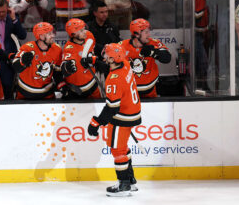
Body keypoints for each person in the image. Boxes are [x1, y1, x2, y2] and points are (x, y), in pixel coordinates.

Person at [87, 43, 140, 197]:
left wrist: (96, 122)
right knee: (123, 147)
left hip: (122, 116)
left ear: (111, 58)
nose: (104, 55)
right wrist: (94, 60)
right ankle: (130, 180)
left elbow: (112, 108)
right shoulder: (125, 64)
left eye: (106, 54)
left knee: (118, 149)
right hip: (132, 111)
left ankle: (123, 185)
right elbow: (108, 66)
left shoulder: (114, 80)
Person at [119, 18, 171, 98]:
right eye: (146, 32)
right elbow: (108, 59)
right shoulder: (121, 46)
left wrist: (154, 52)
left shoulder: (153, 43)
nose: (149, 35)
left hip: (150, 92)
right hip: (129, 93)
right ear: (136, 34)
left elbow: (167, 58)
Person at [11, 22, 62, 99]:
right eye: (49, 34)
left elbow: (57, 72)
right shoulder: (27, 48)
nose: (53, 36)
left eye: (52, 33)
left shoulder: (57, 49)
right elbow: (16, 67)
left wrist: (61, 84)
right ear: (41, 36)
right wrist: (22, 61)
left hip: (47, 94)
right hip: (25, 93)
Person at [61, 18, 105, 99]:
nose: (85, 32)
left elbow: (95, 47)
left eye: (84, 29)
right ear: (73, 34)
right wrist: (67, 68)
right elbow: (64, 68)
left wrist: (104, 53)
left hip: (93, 84)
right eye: (81, 31)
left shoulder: (89, 35)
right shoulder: (69, 49)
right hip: (78, 91)